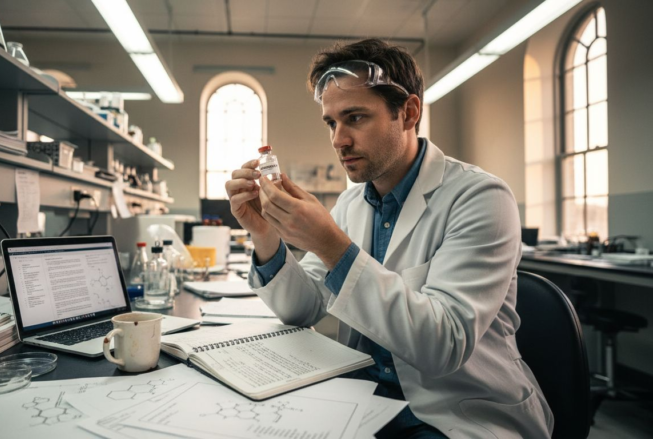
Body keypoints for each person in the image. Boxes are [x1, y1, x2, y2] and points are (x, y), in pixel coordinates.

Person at [225, 39, 553, 438]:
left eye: (356, 117)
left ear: (409, 112)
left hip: (455, 412)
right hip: (365, 402)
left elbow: (443, 344)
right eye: (332, 122)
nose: (338, 140)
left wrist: (331, 245)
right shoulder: (350, 205)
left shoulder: (481, 198)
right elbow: (304, 309)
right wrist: (264, 234)